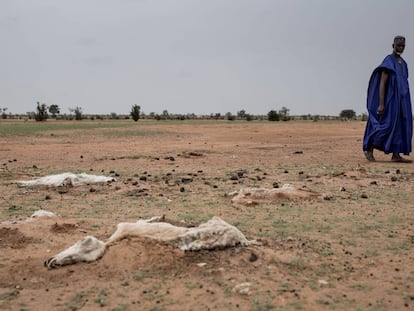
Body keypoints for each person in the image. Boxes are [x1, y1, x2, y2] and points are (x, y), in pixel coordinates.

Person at [363, 36, 412, 162]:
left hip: (403, 101)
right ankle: (369, 147)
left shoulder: (404, 63)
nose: (400, 48)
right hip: (391, 100)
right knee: (386, 126)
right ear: (393, 45)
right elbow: (382, 83)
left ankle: (396, 155)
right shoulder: (388, 61)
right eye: (398, 45)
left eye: (402, 46)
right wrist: (381, 103)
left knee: (401, 126)